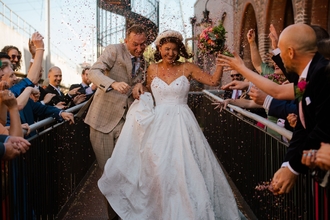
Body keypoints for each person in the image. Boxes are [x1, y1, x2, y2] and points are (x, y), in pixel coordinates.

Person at [98, 30, 241, 219]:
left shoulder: (187, 67)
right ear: (159, 48)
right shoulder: (152, 69)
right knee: (158, 167)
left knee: (186, 166)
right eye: (167, 49)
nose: (171, 53)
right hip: (159, 124)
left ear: (179, 49)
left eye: (174, 49)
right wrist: (140, 87)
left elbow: (213, 81)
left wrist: (220, 62)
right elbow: (149, 90)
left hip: (183, 121)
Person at [218, 23, 330, 195]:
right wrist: (288, 166)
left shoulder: (322, 75)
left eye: (282, 52)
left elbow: (321, 128)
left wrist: (242, 69)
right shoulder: (309, 75)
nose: (278, 59)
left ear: (291, 52)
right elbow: (302, 127)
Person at [85, 24, 148, 220]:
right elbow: (93, 72)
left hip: (126, 123)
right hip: (102, 122)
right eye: (135, 44)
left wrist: (140, 85)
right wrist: (111, 83)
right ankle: (114, 217)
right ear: (126, 40)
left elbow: (141, 82)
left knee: (128, 170)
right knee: (109, 175)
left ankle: (128, 213)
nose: (139, 49)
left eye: (143, 44)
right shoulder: (113, 50)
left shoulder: (144, 61)